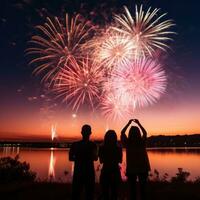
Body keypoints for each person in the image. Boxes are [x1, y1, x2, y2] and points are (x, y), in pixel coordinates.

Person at [121, 119, 150, 200]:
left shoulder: (128, 143)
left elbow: (122, 133)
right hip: (143, 167)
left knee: (132, 190)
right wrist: (139, 124)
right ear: (138, 133)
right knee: (143, 189)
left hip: (131, 168)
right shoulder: (142, 142)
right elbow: (144, 133)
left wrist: (128, 123)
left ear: (130, 133)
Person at [69, 124, 98, 200]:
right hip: (89, 172)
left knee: (76, 194)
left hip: (78, 171)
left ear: (81, 132)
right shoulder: (93, 145)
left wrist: (79, 159)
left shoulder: (75, 145)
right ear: (90, 133)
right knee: (89, 194)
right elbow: (95, 158)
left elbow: (70, 158)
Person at [99, 130, 122, 200]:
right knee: (114, 194)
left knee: (105, 194)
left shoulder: (102, 148)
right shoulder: (118, 148)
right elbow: (120, 161)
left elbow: (101, 161)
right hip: (115, 172)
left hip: (105, 171)